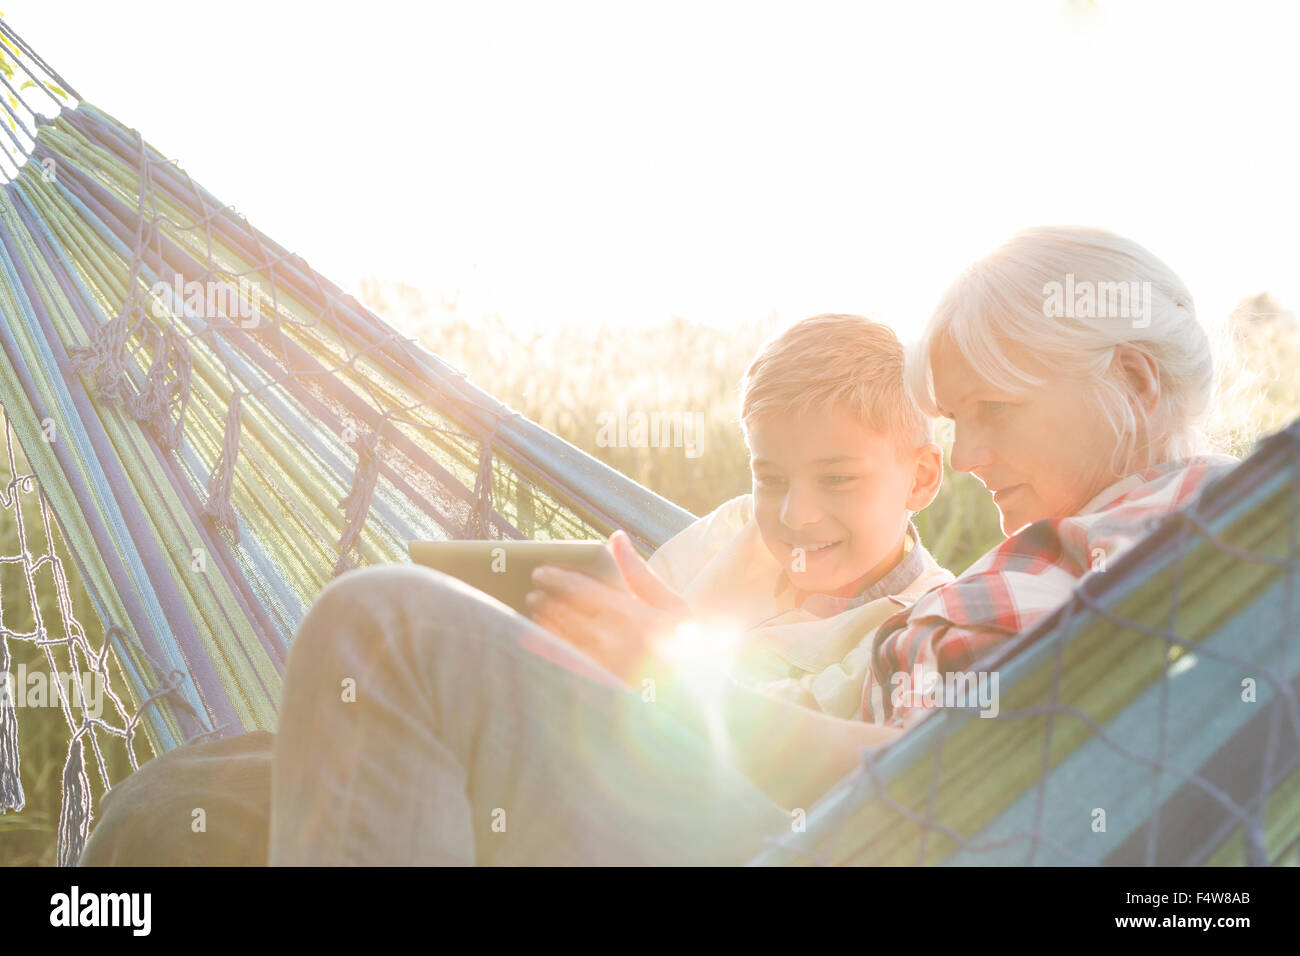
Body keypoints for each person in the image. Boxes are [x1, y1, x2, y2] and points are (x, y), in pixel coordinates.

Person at [264, 225, 1236, 865]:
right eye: (956, 417)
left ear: (1136, 381)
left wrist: (677, 682)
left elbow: (939, 773)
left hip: (806, 839)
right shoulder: (1106, 547)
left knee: (387, 630)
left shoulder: (1180, 540)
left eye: (991, 412)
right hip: (785, 818)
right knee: (202, 805)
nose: (971, 453)